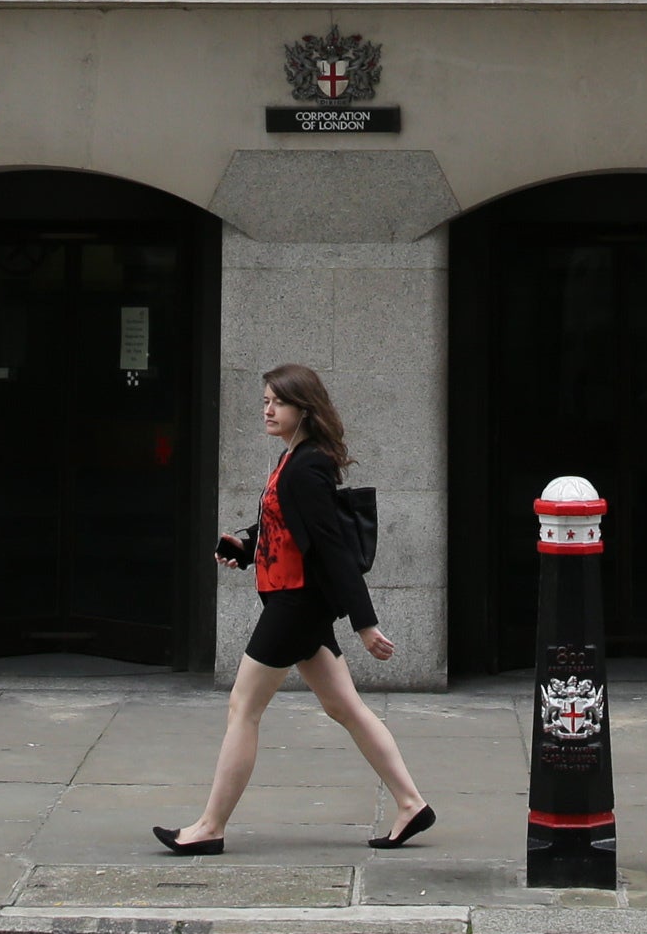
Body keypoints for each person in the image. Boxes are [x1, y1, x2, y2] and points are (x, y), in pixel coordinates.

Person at [156, 364, 438, 855]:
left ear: (304, 410)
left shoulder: (306, 466)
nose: (267, 410)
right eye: (265, 400)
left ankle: (209, 827)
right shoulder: (294, 460)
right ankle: (412, 803)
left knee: (243, 707)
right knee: (344, 707)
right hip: (295, 600)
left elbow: (332, 548)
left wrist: (365, 624)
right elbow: (289, 532)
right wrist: (245, 546)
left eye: (278, 402)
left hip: (295, 605)